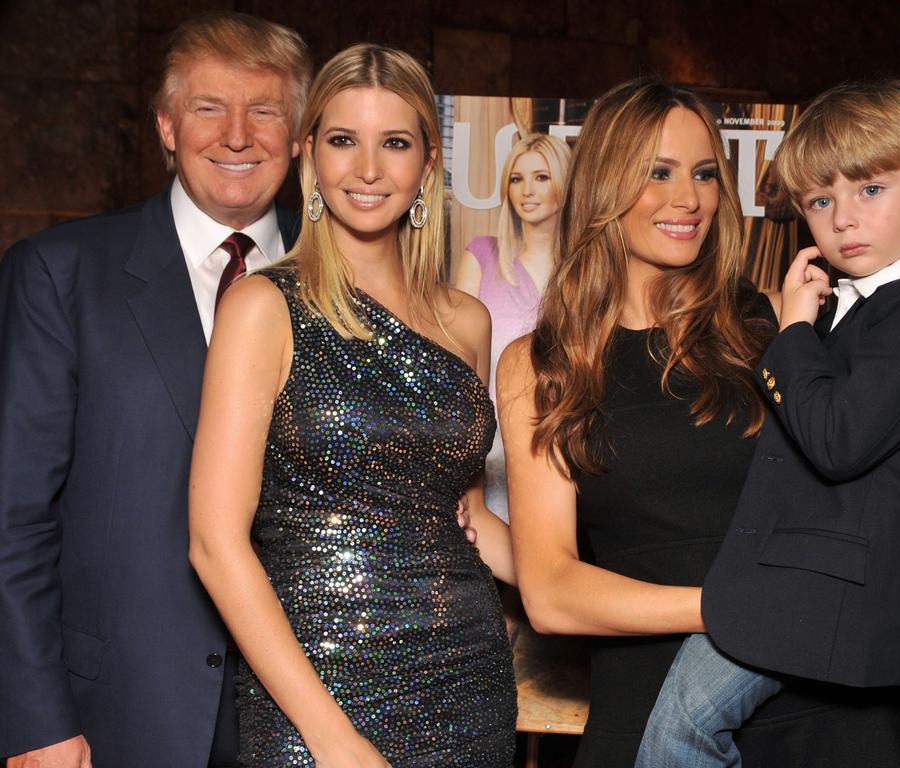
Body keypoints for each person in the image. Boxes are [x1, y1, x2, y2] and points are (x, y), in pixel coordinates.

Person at [498, 77, 900, 768]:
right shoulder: (542, 363)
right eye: (658, 173)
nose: (690, 198)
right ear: (604, 187)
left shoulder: (780, 320)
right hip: (650, 707)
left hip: (823, 708)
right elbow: (552, 593)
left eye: (705, 173)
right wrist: (738, 608)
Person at [637, 79, 900, 768]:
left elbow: (837, 440)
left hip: (830, 595)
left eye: (870, 190)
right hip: (818, 590)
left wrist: (792, 332)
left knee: (682, 729)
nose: (843, 219)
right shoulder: (898, 299)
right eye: (820, 200)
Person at [188, 43, 517, 768]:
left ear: (429, 163)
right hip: (314, 693)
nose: (368, 169)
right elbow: (214, 544)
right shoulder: (262, 307)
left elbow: (470, 520)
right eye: (344, 141)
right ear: (310, 154)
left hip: (468, 680)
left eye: (395, 143)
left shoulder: (467, 321)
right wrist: (330, 737)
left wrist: (597, 578)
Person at [0, 12, 311, 768]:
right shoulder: (61, 274)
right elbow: (14, 517)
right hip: (119, 716)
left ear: (300, 135)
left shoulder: (348, 282)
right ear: (168, 126)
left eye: (264, 110)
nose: (237, 135)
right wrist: (35, 720)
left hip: (318, 707)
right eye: (209, 107)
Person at [455, 133, 571, 521]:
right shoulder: (482, 257)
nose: (526, 190)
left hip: (571, 452)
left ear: (564, 182)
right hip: (492, 461)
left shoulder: (588, 271)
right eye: (517, 179)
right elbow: (454, 371)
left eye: (540, 177)